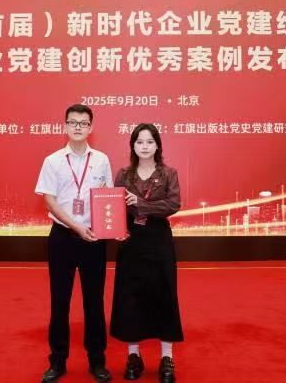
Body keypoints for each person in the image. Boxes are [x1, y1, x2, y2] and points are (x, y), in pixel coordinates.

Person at [35, 104, 113, 383]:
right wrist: (75, 226)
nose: (78, 127)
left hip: (93, 238)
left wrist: (111, 227)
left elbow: (106, 197)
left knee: (94, 302)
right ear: (65, 126)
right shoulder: (53, 161)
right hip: (62, 238)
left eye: (83, 123)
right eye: (73, 122)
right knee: (60, 301)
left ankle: (97, 360)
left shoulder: (101, 160)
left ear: (91, 127)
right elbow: (49, 201)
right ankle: (57, 361)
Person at [110, 123, 183, 383]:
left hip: (159, 240)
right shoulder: (124, 175)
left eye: (150, 142)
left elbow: (173, 204)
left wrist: (140, 203)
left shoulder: (168, 173)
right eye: (139, 142)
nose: (144, 146)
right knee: (130, 298)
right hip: (131, 241)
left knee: (164, 295)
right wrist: (114, 229)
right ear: (132, 145)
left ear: (157, 145)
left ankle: (167, 357)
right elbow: (114, 207)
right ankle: (133, 355)